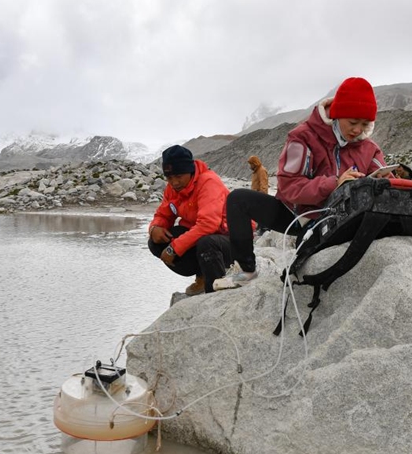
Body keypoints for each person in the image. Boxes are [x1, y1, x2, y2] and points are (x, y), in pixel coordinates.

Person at [213, 77, 392, 290]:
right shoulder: (302, 137)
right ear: (336, 114)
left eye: (365, 125)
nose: (358, 130)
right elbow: (289, 188)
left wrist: (387, 179)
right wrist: (334, 183)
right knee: (237, 199)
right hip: (297, 215)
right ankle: (247, 270)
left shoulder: (369, 147)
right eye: (352, 122)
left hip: (342, 217)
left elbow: (380, 177)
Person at [148, 145, 233, 295]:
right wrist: (155, 228)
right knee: (156, 242)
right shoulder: (173, 189)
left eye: (179, 176)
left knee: (206, 242)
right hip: (203, 237)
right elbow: (163, 215)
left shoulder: (208, 182)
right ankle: (202, 275)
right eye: (169, 178)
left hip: (231, 239)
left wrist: (173, 248)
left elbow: (208, 225)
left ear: (190, 170)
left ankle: (215, 289)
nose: (174, 182)